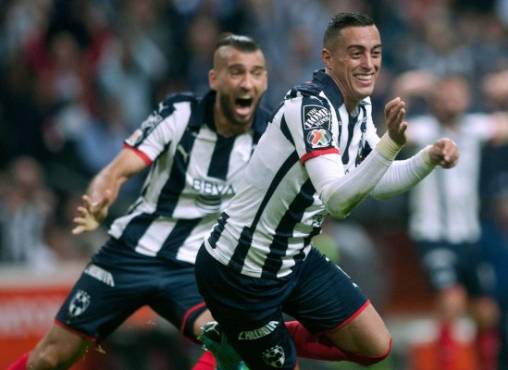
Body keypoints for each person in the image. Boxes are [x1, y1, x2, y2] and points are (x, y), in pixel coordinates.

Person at [194, 12, 459, 370]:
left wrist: (428, 158)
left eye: (375, 52)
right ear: (328, 58)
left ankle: (237, 340)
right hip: (242, 271)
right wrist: (391, 144)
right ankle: (242, 339)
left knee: (374, 345)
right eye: (356, 53)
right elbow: (337, 200)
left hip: (294, 259)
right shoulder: (312, 110)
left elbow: (376, 183)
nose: (369, 64)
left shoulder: (359, 107)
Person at [7, 33, 269, 370]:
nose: (247, 82)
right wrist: (101, 194)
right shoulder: (179, 114)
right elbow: (118, 169)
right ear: (215, 79)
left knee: (234, 343)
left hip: (193, 269)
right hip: (129, 254)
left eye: (257, 72)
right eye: (236, 72)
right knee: (51, 357)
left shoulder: (270, 136)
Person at [395, 72, 508, 370]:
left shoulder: (475, 127)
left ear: (467, 98)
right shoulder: (423, 129)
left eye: (457, 95)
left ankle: (487, 364)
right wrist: (401, 94)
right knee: (452, 299)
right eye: (445, 95)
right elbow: (390, 136)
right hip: (432, 234)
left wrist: (501, 93)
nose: (451, 100)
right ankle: (448, 365)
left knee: (487, 312)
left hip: (469, 234)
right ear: (434, 100)